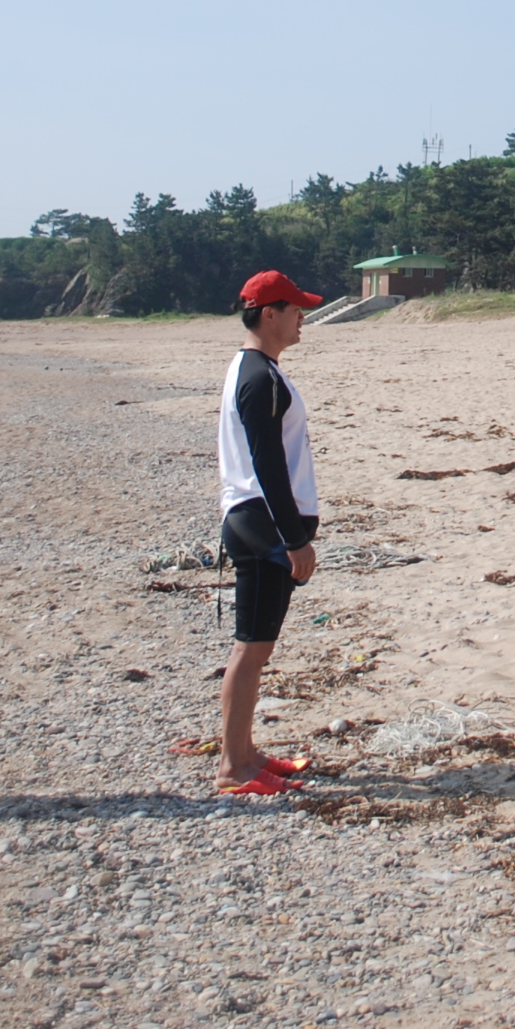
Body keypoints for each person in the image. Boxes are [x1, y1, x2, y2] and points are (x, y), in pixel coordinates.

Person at [214, 270, 327, 795]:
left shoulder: (257, 369)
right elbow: (267, 464)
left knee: (256, 648)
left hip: (257, 522)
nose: (303, 317)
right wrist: (294, 540)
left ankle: (245, 752)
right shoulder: (259, 377)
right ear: (269, 314)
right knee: (251, 649)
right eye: (295, 309)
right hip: (261, 526)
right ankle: (232, 766)